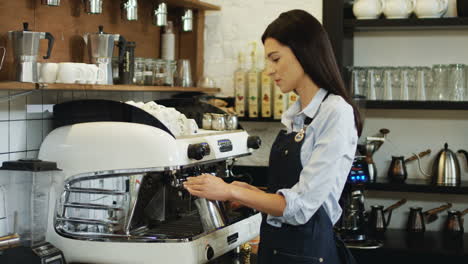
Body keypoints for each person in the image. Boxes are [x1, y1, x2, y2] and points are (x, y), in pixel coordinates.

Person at [184, 9, 362, 264]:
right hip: (277, 252)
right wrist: (251, 191)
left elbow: (301, 207)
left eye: (275, 59)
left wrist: (232, 193)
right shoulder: (295, 115)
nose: (269, 70)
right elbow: (293, 191)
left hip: (309, 255)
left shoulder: (336, 113)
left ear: (304, 52)